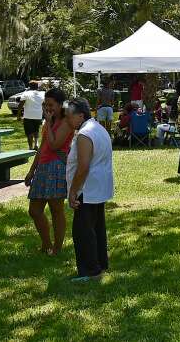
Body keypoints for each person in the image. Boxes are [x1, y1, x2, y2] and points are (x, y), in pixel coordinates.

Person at [65, 98, 114, 282]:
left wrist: (73, 191)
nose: (67, 120)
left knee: (83, 231)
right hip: (98, 186)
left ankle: (90, 271)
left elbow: (83, 166)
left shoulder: (85, 134)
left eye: (69, 116)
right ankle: (100, 264)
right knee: (96, 227)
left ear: (80, 115)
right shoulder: (98, 129)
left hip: (88, 188)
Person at [25, 87, 74, 256]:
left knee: (56, 209)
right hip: (43, 168)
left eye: (51, 104)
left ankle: (57, 248)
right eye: (45, 104)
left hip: (57, 167)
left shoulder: (67, 122)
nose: (48, 107)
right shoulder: (49, 121)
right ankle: (46, 245)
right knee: (35, 211)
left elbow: (54, 145)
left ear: (61, 105)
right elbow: (43, 148)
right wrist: (32, 170)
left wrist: (48, 122)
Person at [16, 81, 45, 150]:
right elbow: (44, 104)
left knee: (29, 132)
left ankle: (30, 147)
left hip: (28, 116)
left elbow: (21, 104)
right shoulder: (42, 94)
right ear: (37, 87)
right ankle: (36, 144)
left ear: (29, 87)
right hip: (38, 115)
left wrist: (18, 115)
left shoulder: (26, 93)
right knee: (36, 130)